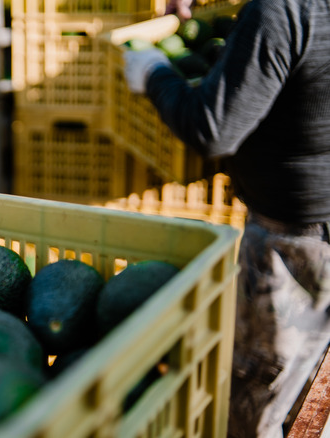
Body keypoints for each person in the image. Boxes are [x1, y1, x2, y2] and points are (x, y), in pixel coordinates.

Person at [123, 0, 330, 436]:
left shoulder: (284, 8)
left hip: (296, 245)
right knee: (309, 401)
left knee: (260, 406)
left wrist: (154, 73)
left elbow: (212, 128)